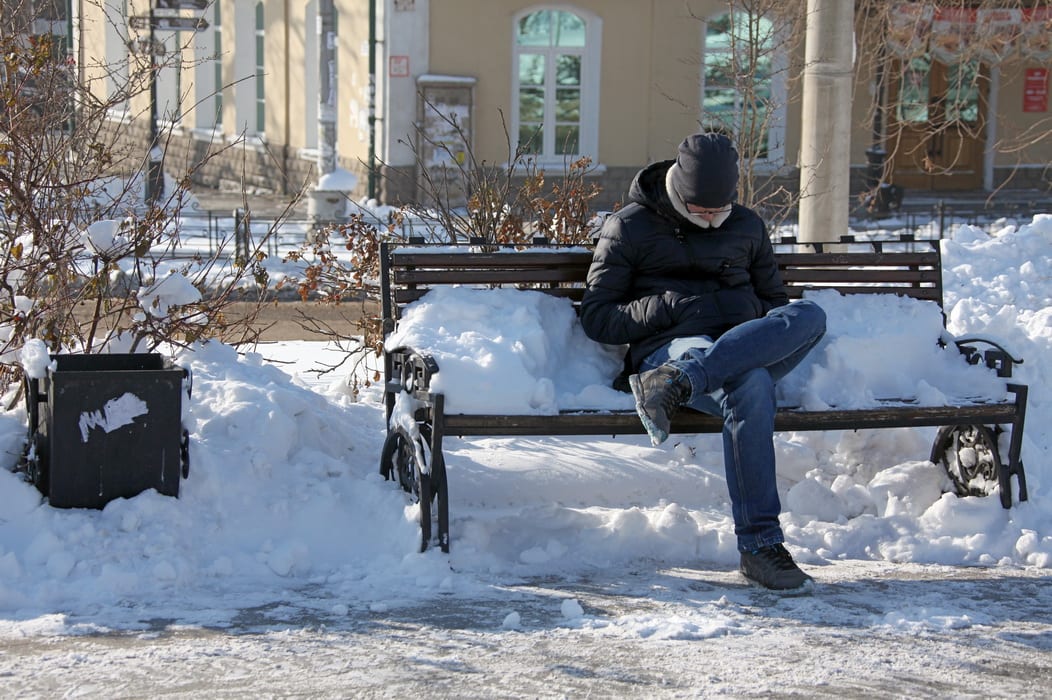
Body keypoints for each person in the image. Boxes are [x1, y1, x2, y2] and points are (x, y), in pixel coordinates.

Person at [579, 132, 827, 591]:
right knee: (752, 385)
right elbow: (597, 317)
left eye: (720, 210)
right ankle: (760, 546)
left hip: (733, 345)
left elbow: (776, 306)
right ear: (678, 188)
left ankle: (681, 381)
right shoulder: (630, 226)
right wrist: (667, 307)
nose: (711, 219)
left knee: (810, 315)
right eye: (700, 210)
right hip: (672, 345)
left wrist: (741, 312)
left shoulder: (748, 226)